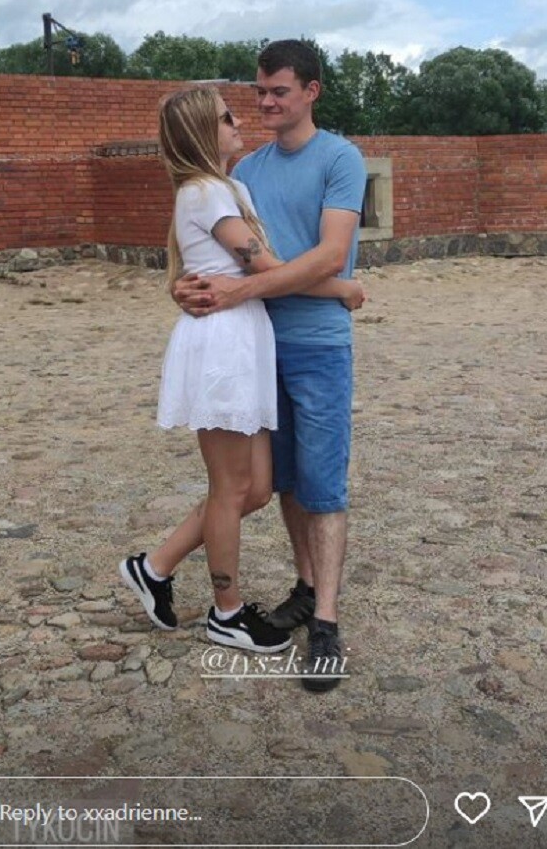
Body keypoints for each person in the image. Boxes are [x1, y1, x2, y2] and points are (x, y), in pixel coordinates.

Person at [120, 84, 364, 654]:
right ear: (203, 131)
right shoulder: (210, 191)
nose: (241, 120)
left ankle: (155, 567)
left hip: (247, 337)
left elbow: (220, 267)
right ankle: (226, 613)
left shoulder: (227, 185)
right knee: (232, 488)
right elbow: (266, 266)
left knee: (254, 489)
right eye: (227, 116)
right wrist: (342, 288)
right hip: (226, 345)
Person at [173, 41, 368, 692]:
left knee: (324, 484)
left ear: (311, 91)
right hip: (257, 346)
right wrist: (183, 288)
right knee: (283, 479)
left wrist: (243, 291)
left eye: (278, 91)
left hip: (318, 344)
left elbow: (329, 255)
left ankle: (327, 621)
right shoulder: (245, 170)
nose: (264, 102)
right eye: (258, 92)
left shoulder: (340, 158)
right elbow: (213, 253)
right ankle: (307, 587)